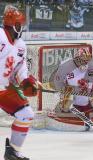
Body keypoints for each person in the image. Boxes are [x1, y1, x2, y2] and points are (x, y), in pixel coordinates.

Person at [0, 5, 38, 160]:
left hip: (3, 88)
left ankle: (13, 152)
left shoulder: (21, 45)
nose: (21, 27)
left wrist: (26, 81)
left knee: (26, 114)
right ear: (11, 24)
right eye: (18, 24)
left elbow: (20, 70)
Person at [52, 44, 93, 131]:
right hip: (69, 93)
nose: (84, 63)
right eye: (82, 60)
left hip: (84, 95)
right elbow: (58, 81)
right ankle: (66, 110)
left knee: (92, 101)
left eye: (86, 61)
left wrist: (92, 93)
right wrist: (61, 93)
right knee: (67, 100)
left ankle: (85, 111)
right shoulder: (66, 66)